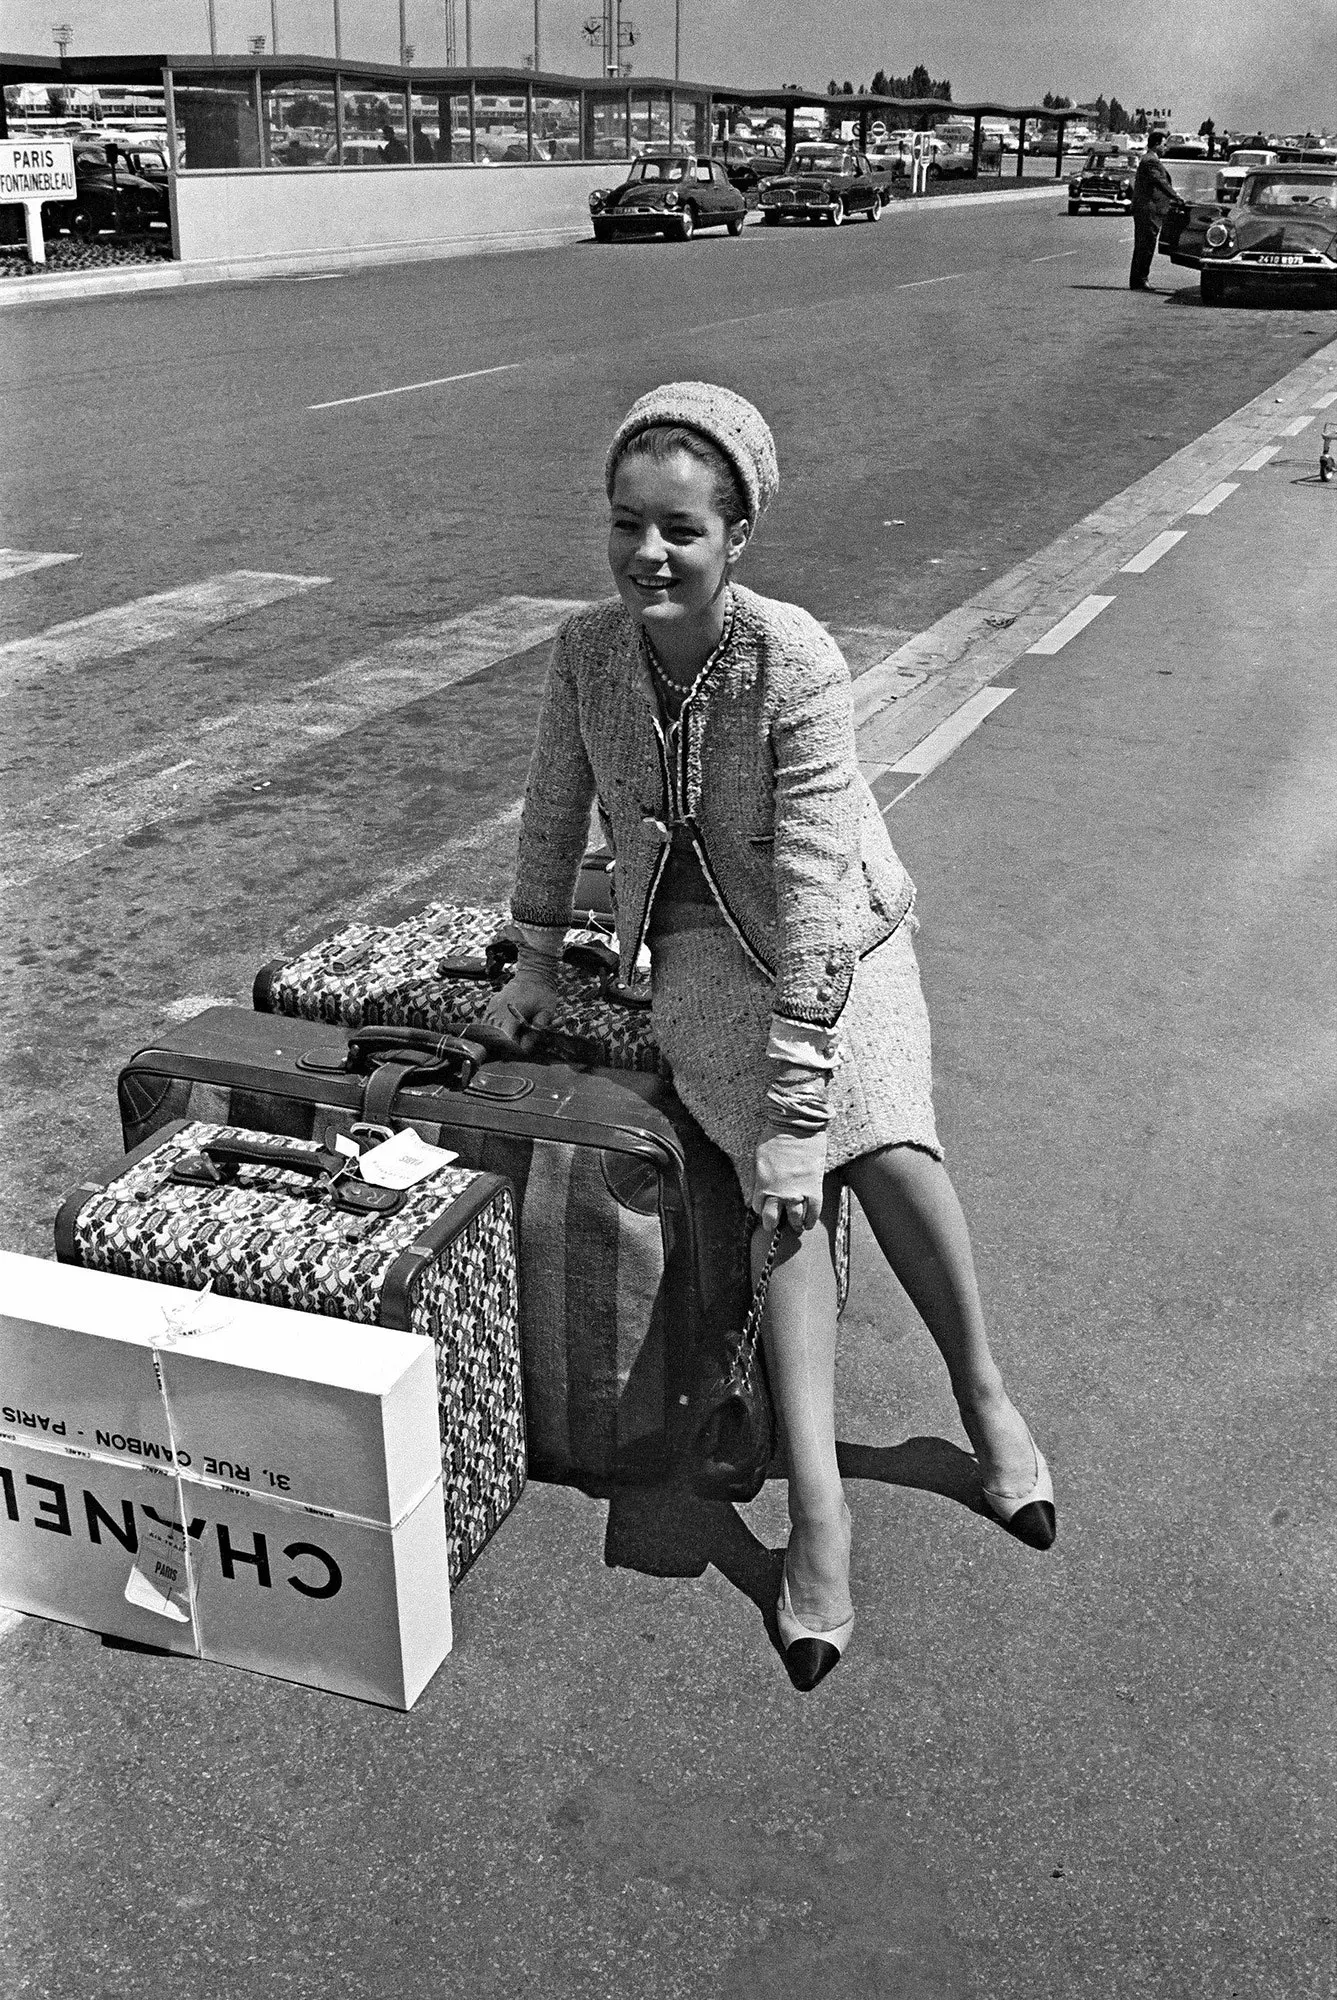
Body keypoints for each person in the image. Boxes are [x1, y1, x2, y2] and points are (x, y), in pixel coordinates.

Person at [484, 383, 1056, 1691]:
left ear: (738, 534)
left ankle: (983, 1400)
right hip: (696, 968)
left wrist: (800, 1105)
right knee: (777, 1206)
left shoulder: (791, 658)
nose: (648, 556)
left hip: (845, 950)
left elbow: (810, 895)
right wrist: (527, 965)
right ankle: (818, 1517)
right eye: (627, 525)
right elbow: (547, 814)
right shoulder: (585, 653)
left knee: (877, 1144)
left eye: (681, 528)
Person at [1129, 130, 1175, 289]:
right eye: (1163, 144)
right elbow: (1160, 182)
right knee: (1146, 245)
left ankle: (1137, 279)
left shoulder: (1149, 159)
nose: (1165, 147)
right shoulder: (1150, 161)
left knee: (1142, 245)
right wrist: (1176, 197)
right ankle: (1141, 279)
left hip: (1147, 209)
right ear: (1156, 145)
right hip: (1148, 210)